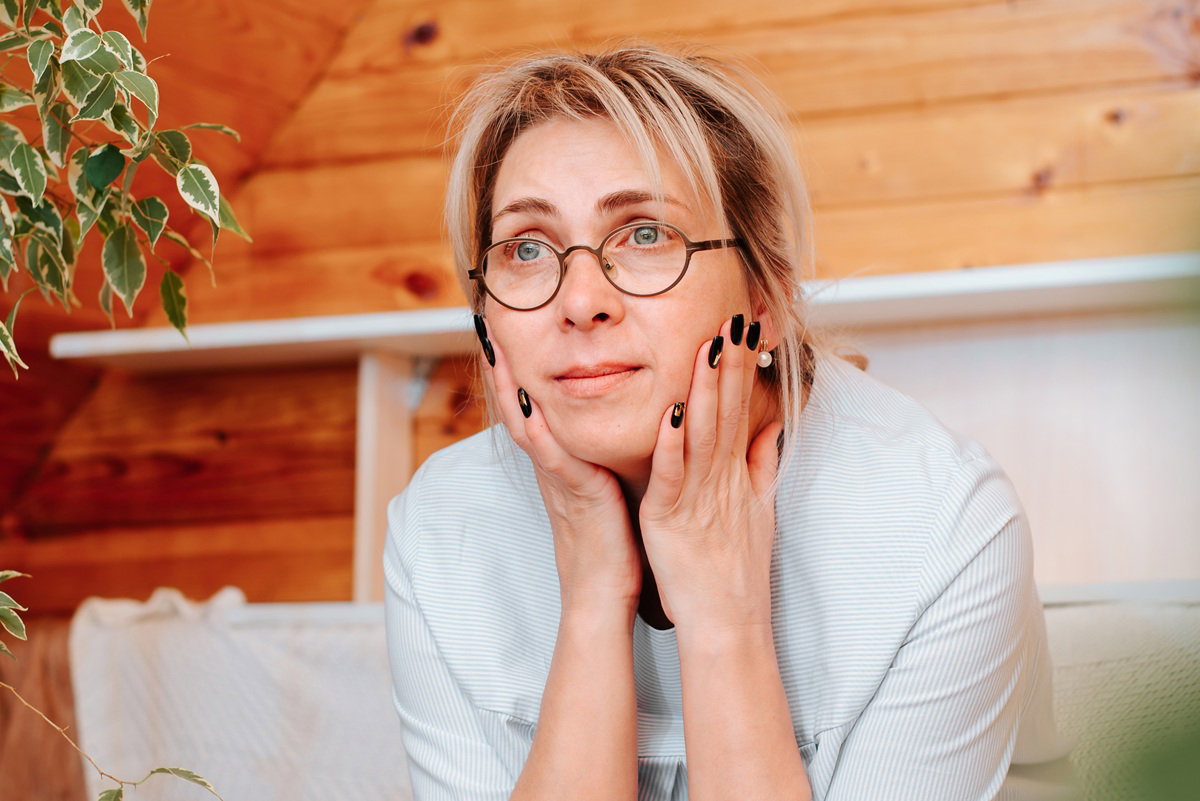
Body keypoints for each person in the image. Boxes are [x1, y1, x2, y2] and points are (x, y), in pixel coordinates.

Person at [383, 44, 1068, 801]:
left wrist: (722, 615)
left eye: (645, 235)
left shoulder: (941, 524)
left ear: (766, 297)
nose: (579, 301)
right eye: (527, 248)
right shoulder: (437, 531)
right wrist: (592, 598)